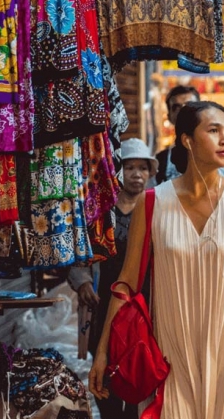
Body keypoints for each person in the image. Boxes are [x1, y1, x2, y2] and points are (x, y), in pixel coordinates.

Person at [90, 101, 224, 418]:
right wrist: (102, 353)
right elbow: (125, 284)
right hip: (171, 355)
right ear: (187, 140)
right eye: (213, 131)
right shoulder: (153, 202)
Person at [68, 138, 156, 419]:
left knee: (137, 366)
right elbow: (80, 249)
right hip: (103, 301)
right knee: (104, 367)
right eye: (130, 168)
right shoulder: (101, 212)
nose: (137, 175)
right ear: (118, 171)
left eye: (143, 168)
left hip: (141, 304)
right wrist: (82, 282)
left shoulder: (157, 210)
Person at [155, 85, 200, 183]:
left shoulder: (221, 153)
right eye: (176, 107)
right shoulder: (160, 161)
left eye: (189, 105)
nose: (182, 111)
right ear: (169, 116)